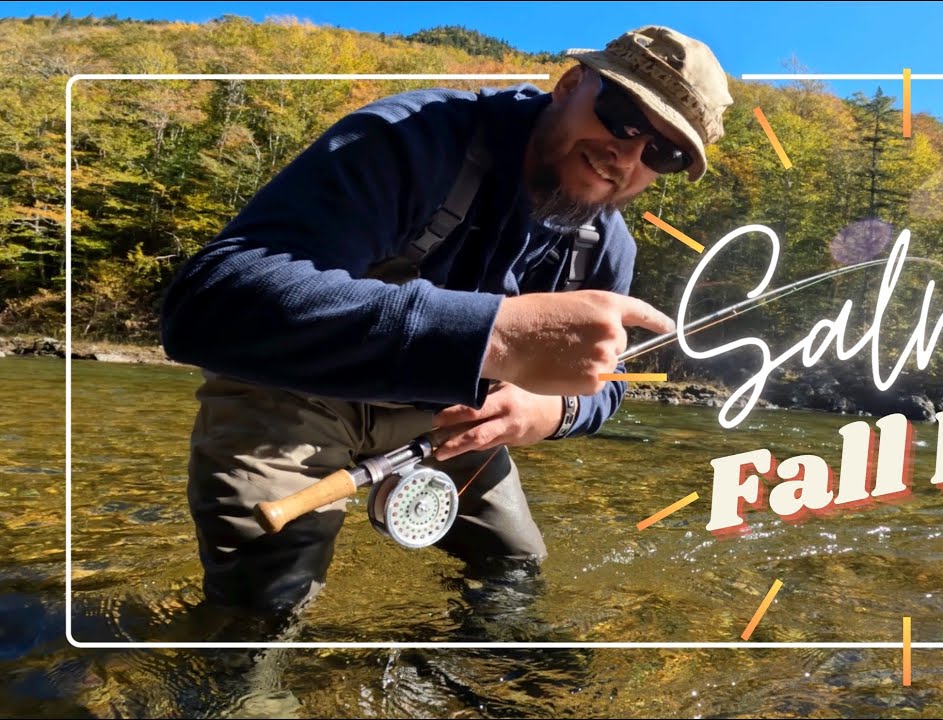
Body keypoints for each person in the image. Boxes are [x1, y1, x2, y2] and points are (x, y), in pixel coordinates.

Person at [159, 26, 734, 617]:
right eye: (624, 118)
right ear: (568, 85)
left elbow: (608, 384)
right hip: (292, 391)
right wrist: (497, 332)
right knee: (262, 608)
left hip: (447, 416)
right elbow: (206, 304)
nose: (629, 155)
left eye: (663, 153)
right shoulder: (411, 139)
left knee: (514, 574)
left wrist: (551, 411)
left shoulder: (606, 248)